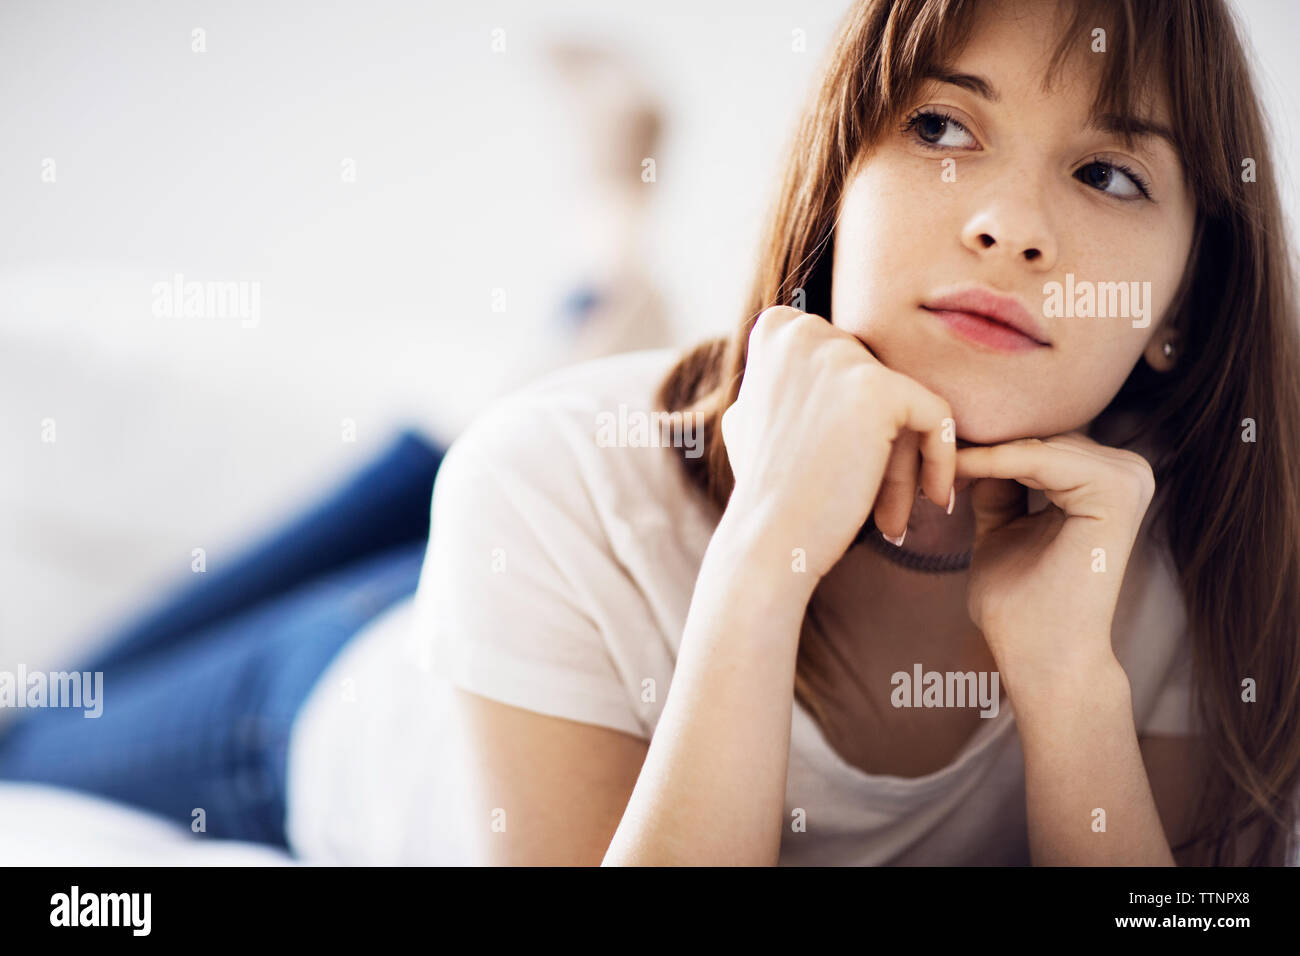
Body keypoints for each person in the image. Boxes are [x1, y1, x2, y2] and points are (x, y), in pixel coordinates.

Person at [5, 0, 1299, 866]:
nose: (1011, 226)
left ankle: (593, 320)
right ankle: (596, 297)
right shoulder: (555, 475)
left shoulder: (1179, 560)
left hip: (557, 553)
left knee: (529, 450)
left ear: (1181, 304)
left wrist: (1070, 677)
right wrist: (767, 553)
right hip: (355, 693)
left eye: (1110, 173)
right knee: (20, 740)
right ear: (833, 191)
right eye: (943, 128)